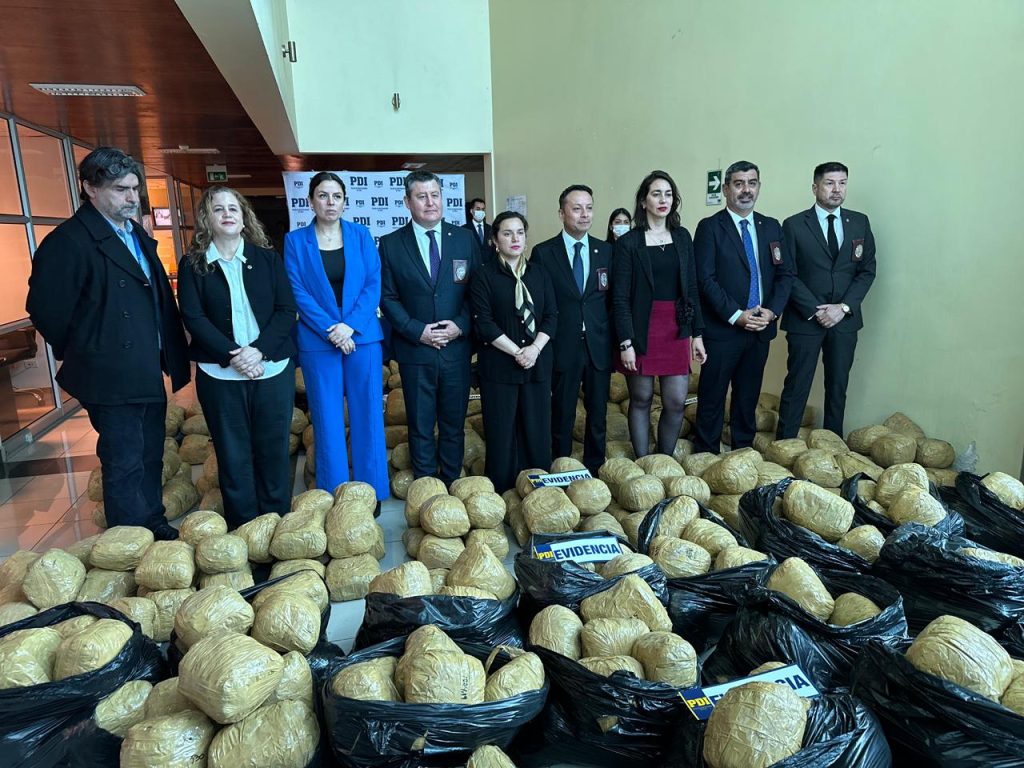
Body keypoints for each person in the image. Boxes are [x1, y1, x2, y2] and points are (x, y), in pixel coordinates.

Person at [26, 147, 189, 540]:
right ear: (90, 188)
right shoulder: (68, 241)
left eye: (134, 188)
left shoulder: (135, 234)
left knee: (150, 450)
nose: (132, 197)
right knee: (124, 459)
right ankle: (128, 540)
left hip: (146, 365)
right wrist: (91, 348)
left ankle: (152, 522)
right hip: (109, 371)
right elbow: (45, 309)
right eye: (120, 189)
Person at [177, 187, 297, 529]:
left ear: (245, 218)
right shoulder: (193, 264)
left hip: (271, 368)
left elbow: (286, 309)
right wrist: (234, 355)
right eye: (219, 209)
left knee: (273, 450)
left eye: (234, 208)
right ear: (207, 219)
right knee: (233, 454)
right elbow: (193, 317)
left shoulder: (268, 259)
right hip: (220, 375)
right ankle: (244, 526)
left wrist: (258, 351)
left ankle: (275, 523)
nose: (227, 214)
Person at [283, 172, 389, 500]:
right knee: (327, 418)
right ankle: (334, 493)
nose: (330, 202)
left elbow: (373, 283)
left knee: (368, 415)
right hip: (319, 339)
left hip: (362, 337)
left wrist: (350, 326)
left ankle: (371, 492)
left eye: (337, 196)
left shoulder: (361, 235)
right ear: (310, 200)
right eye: (323, 195)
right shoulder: (295, 241)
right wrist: (332, 329)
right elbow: (297, 290)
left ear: (345, 201)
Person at [379, 170, 482, 487]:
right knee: (420, 424)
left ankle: (451, 482)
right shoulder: (391, 244)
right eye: (421, 196)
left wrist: (460, 326)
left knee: (453, 424)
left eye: (435, 195)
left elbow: (479, 292)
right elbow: (388, 297)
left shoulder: (465, 239)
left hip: (456, 349)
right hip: (415, 351)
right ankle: (425, 487)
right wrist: (417, 330)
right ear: (407, 202)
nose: (430, 202)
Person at [693, 161, 794, 453]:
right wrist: (736, 315)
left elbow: (786, 274)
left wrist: (771, 312)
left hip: (760, 328)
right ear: (726, 189)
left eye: (752, 183)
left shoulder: (771, 226)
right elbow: (705, 280)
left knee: (748, 397)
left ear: (759, 187)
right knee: (712, 398)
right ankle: (706, 455)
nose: (746, 190)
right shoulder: (710, 227)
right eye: (739, 184)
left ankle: (742, 453)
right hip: (723, 329)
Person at [776, 162, 877, 438]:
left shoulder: (860, 222)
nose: (837, 189)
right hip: (805, 320)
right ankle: (783, 446)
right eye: (830, 183)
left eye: (842, 183)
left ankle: (832, 447)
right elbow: (787, 273)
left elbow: (866, 271)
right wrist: (816, 309)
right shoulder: (794, 225)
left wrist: (843, 308)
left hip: (844, 321)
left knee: (837, 387)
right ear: (815, 187)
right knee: (797, 386)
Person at [613, 170, 706, 458]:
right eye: (656, 194)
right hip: (641, 326)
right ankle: (643, 462)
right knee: (641, 398)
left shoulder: (682, 237)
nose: (663, 200)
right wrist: (625, 342)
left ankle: (664, 459)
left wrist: (697, 334)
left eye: (668, 194)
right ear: (644, 201)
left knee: (676, 401)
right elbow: (620, 297)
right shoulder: (629, 242)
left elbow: (691, 288)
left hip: (676, 325)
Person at [471, 212, 557, 492]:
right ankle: (502, 495)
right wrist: (517, 351)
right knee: (501, 434)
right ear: (495, 241)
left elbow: (551, 316)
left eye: (520, 232)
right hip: (499, 367)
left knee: (537, 432)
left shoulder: (540, 273)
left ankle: (539, 494)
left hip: (537, 364)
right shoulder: (484, 275)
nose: (515, 238)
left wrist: (534, 349)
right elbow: (484, 323)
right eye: (507, 233)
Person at [532, 184, 613, 475]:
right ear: (561, 213)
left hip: (597, 345)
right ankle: (560, 467)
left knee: (598, 413)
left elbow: (612, 301)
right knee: (562, 412)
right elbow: (540, 304)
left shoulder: (606, 251)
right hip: (562, 344)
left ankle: (595, 468)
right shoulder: (544, 253)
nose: (584, 214)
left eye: (589, 208)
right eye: (577, 209)